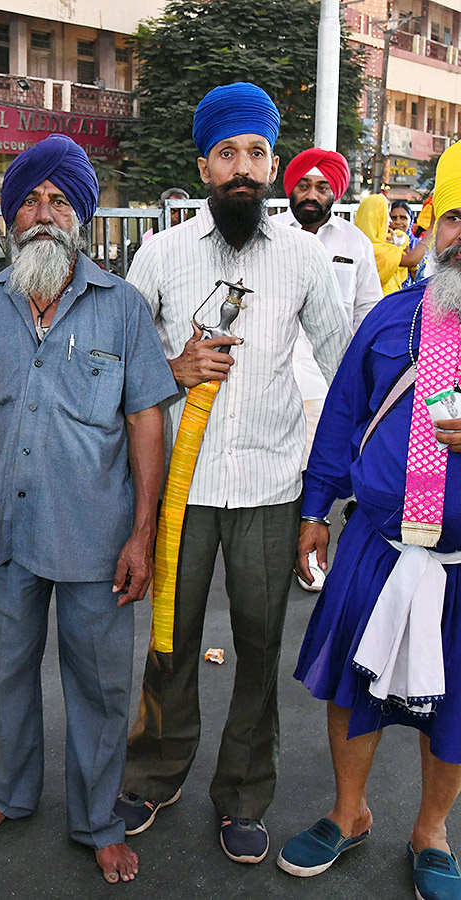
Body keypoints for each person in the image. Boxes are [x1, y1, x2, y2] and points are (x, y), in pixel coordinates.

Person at [114, 81, 352, 864]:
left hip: (270, 488)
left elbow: (344, 365)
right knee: (169, 643)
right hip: (180, 492)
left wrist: (329, 494)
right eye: (227, 154)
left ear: (273, 163)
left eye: (256, 153)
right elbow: (117, 357)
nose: (243, 168)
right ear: (203, 166)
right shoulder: (163, 253)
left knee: (258, 646)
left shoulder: (306, 256)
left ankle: (244, 794)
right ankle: (154, 776)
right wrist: (171, 365)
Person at [0, 134, 176, 884]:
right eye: (30, 200)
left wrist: (142, 533)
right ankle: (10, 794)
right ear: (10, 216)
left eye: (58, 201)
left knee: (100, 685)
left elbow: (148, 418)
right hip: (8, 537)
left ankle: (97, 820)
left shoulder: (122, 306)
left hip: (98, 536)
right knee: (5, 676)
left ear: (78, 216)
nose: (43, 213)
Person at [276, 141, 461, 900]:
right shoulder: (389, 319)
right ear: (428, 228)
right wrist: (316, 508)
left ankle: (431, 831)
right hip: (376, 546)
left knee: (456, 704)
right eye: (455, 217)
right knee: (355, 690)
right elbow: (344, 416)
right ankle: (349, 813)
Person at [273, 148, 383, 589]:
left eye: (322, 187)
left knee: (316, 472)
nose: (312, 195)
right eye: (304, 185)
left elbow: (367, 311)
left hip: (327, 381)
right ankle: (274, 554)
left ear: (335, 192)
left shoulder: (354, 242)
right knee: (278, 474)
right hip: (274, 376)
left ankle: (306, 554)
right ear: (290, 188)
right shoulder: (270, 233)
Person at [356, 194, 429, 296]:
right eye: (389, 217)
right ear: (377, 219)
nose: (393, 222)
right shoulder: (380, 248)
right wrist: (432, 228)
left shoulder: (355, 243)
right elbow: (411, 260)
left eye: (403, 218)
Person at [390, 199, 425, 288]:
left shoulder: (419, 245)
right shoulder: (384, 243)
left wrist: (407, 252)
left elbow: (422, 280)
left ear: (411, 221)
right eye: (394, 218)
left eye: (403, 218)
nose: (398, 222)